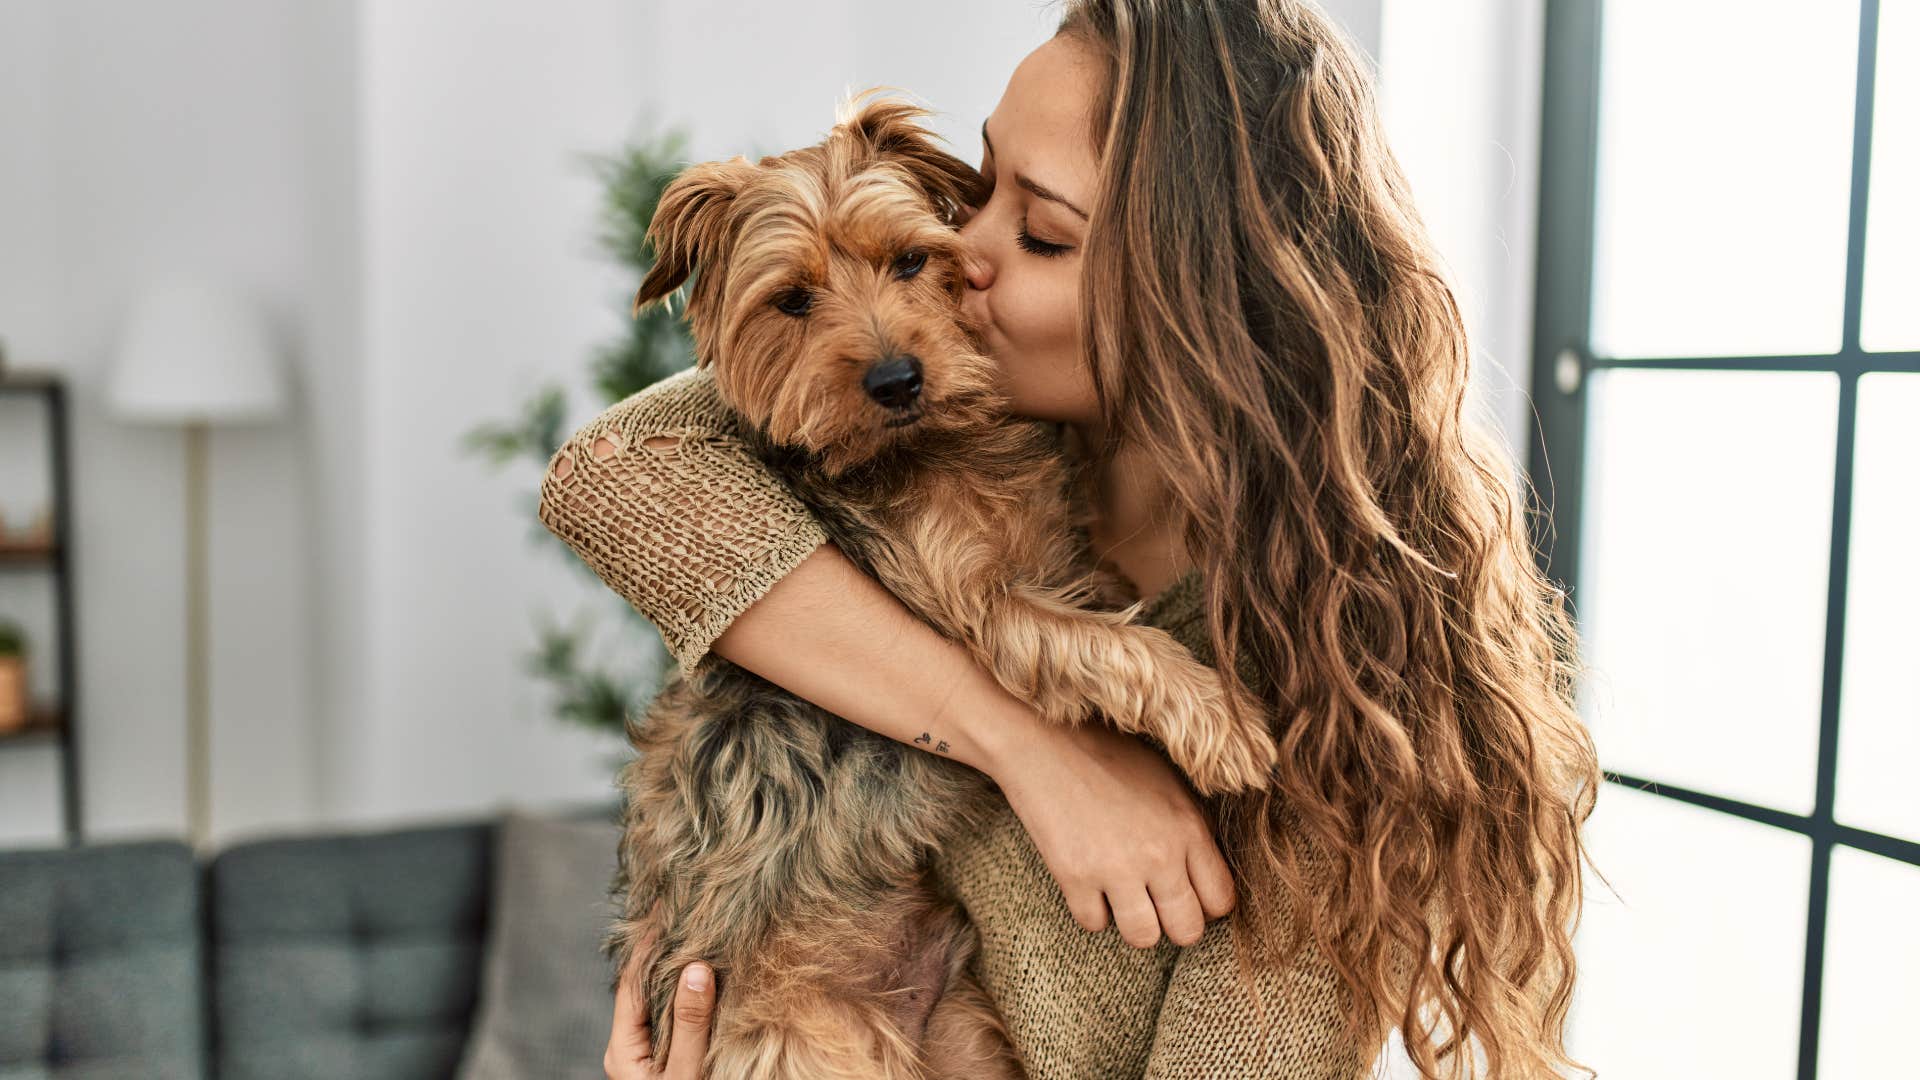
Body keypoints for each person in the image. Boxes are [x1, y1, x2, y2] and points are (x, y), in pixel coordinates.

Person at [541, 1, 1604, 1077]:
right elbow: (604, 476)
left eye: (1042, 232)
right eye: (978, 186)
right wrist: (1031, 744)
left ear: (1199, 299)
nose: (961, 253)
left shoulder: (1338, 696)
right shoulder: (921, 421)